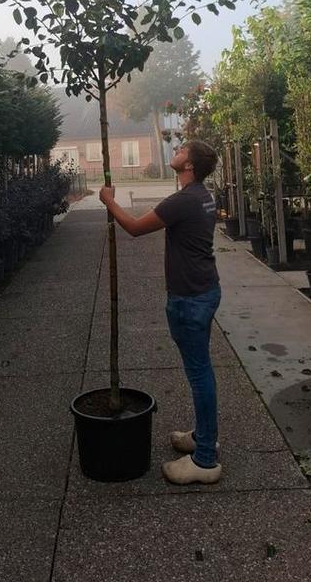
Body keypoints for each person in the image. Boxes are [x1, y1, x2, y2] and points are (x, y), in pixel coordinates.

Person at [99, 139, 221, 486]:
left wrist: (109, 201)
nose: (176, 149)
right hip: (205, 289)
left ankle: (205, 459)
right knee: (202, 371)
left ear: (190, 166)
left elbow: (135, 228)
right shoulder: (204, 195)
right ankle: (203, 437)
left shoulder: (184, 200)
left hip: (190, 299)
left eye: (182, 149)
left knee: (200, 375)